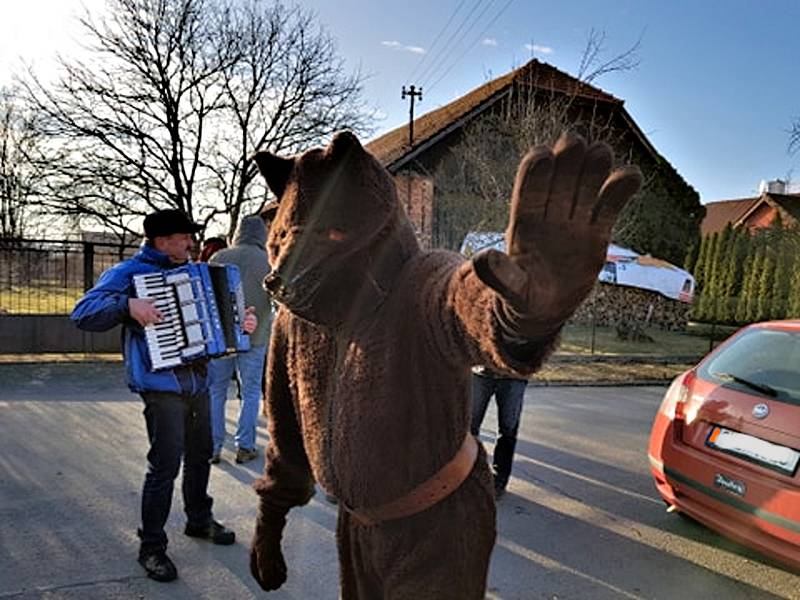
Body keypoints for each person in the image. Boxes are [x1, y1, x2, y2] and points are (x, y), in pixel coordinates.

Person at [70, 209, 257, 583]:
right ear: (161, 241)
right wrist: (128, 306)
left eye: (190, 238)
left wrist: (242, 326)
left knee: (201, 454)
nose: (191, 244)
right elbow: (83, 312)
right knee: (165, 465)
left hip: (199, 382)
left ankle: (199, 520)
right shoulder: (129, 274)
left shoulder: (200, 271)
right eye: (183, 238)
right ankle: (151, 547)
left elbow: (225, 326)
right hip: (161, 388)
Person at [207, 215, 272, 464]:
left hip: (221, 338)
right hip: (254, 337)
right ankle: (245, 446)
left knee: (216, 391)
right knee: (251, 392)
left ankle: (213, 447)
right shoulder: (269, 261)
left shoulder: (218, 258)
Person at [469, 366, 529, 499]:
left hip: (514, 375)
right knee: (470, 427)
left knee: (508, 430)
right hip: (481, 372)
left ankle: (499, 481)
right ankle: (468, 475)